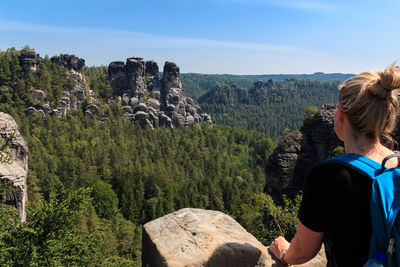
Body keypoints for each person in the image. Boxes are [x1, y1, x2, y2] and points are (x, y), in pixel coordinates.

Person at [269, 64, 400, 266]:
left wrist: (283, 252)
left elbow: (304, 251)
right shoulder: (397, 163)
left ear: (340, 115)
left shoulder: (329, 176)